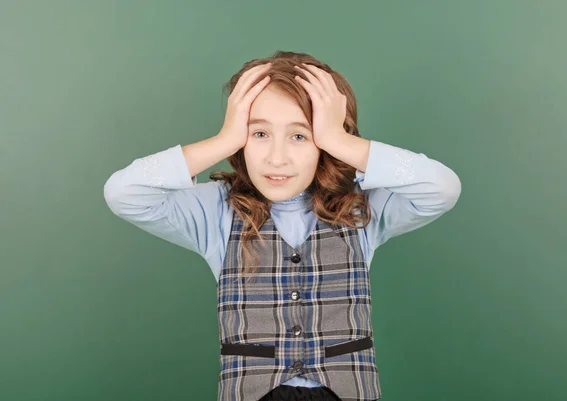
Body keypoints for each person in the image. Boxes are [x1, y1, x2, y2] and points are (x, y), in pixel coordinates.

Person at [103, 50, 462, 401]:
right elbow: (123, 193)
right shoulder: (216, 210)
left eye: (300, 135)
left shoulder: (360, 209)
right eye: (259, 133)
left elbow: (443, 188)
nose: (277, 157)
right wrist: (223, 140)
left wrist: (339, 141)